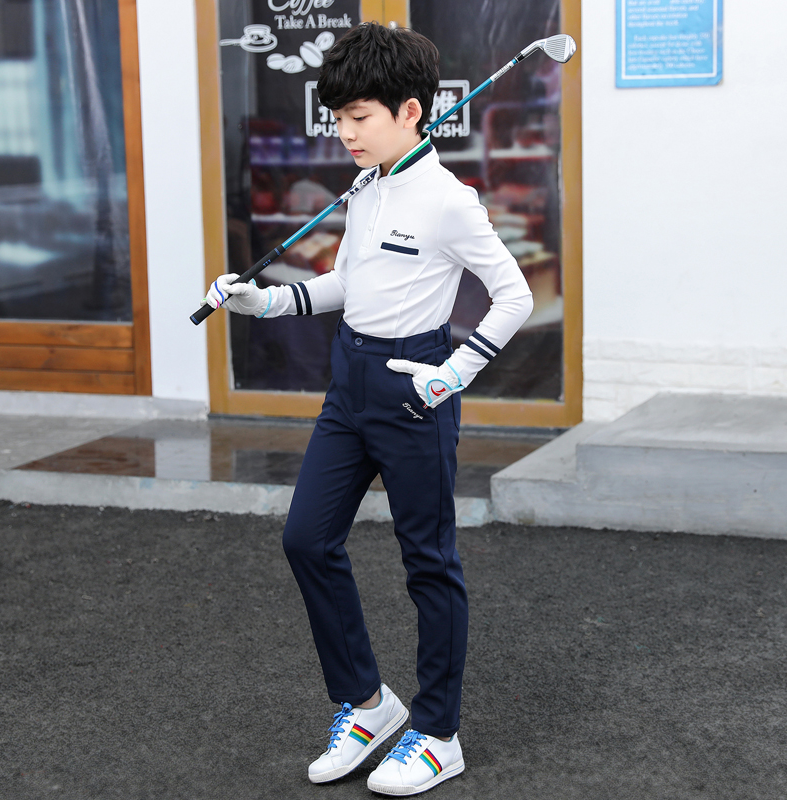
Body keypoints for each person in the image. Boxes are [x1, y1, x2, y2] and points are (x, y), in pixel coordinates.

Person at [203, 22, 533, 796]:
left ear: (410, 111)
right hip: (349, 382)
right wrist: (267, 301)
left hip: (415, 388)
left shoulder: (450, 203)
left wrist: (453, 374)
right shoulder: (366, 187)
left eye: (359, 117)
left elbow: (514, 296)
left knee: (429, 563)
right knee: (306, 539)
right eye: (339, 118)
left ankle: (439, 733)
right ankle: (368, 703)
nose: (345, 133)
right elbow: (349, 284)